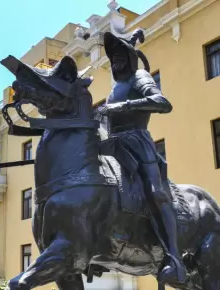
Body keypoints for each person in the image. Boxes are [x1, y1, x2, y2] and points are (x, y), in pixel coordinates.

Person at [99, 31, 186, 284]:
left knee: (155, 193)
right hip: (112, 144)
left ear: (129, 56)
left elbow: (162, 102)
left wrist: (123, 107)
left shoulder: (140, 77)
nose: (115, 60)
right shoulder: (114, 88)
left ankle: (174, 257)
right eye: (112, 56)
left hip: (137, 142)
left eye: (119, 55)